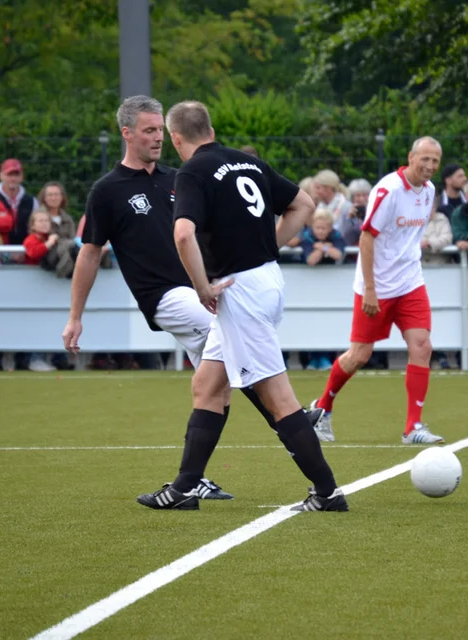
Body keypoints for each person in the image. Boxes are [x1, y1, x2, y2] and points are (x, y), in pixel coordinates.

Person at [61, 96, 310, 504]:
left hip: (204, 289)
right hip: (166, 295)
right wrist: (75, 316)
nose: (158, 138)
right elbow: (89, 253)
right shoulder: (106, 191)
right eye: (148, 131)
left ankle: (194, 480)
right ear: (127, 134)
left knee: (214, 385)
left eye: (160, 130)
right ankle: (290, 416)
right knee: (230, 343)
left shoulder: (181, 177)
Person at [157, 99, 346, 512]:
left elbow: (183, 235)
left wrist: (201, 287)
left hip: (238, 290)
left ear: (175, 138)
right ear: (210, 129)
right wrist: (266, 248)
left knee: (278, 399)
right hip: (265, 280)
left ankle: (328, 493)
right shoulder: (248, 163)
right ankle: (185, 488)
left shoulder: (192, 171)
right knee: (207, 386)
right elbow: (304, 205)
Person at [310, 137, 446, 445]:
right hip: (377, 286)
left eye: (435, 161)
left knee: (422, 346)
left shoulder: (429, 191)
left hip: (410, 282)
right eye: (424, 159)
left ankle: (413, 428)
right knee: (359, 355)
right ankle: (322, 408)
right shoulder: (389, 190)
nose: (429, 166)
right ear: (411, 157)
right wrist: (370, 289)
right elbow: (367, 237)